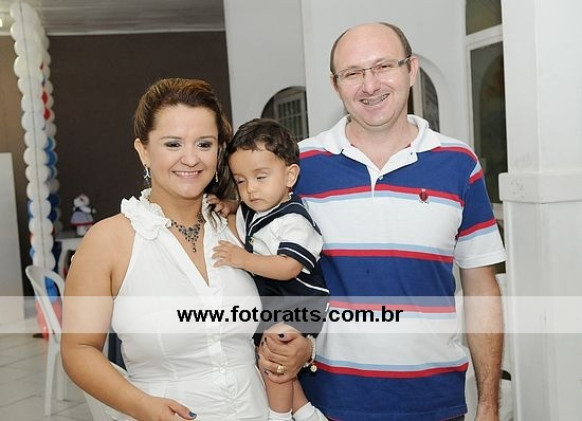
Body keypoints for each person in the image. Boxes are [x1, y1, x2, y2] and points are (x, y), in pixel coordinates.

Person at [290, 22, 506, 421]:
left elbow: (481, 289)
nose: (370, 85)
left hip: (436, 405)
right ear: (335, 85)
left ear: (411, 70)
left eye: (383, 66)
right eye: (353, 73)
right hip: (328, 406)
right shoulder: (299, 167)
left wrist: (488, 405)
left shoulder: (459, 164)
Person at [62, 78, 278, 421]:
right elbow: (78, 349)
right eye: (173, 144)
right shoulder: (108, 241)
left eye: (204, 144)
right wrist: (143, 407)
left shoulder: (244, 226)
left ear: (219, 150)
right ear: (144, 150)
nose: (190, 158)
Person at [212, 118, 329, 421]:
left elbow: (288, 266)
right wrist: (229, 205)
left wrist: (243, 259)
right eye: (240, 181)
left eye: (260, 177)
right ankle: (306, 413)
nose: (250, 189)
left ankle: (278, 417)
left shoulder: (294, 220)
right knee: (269, 357)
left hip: (301, 301)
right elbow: (243, 210)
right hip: (277, 301)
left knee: (275, 351)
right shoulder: (257, 207)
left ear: (290, 175)